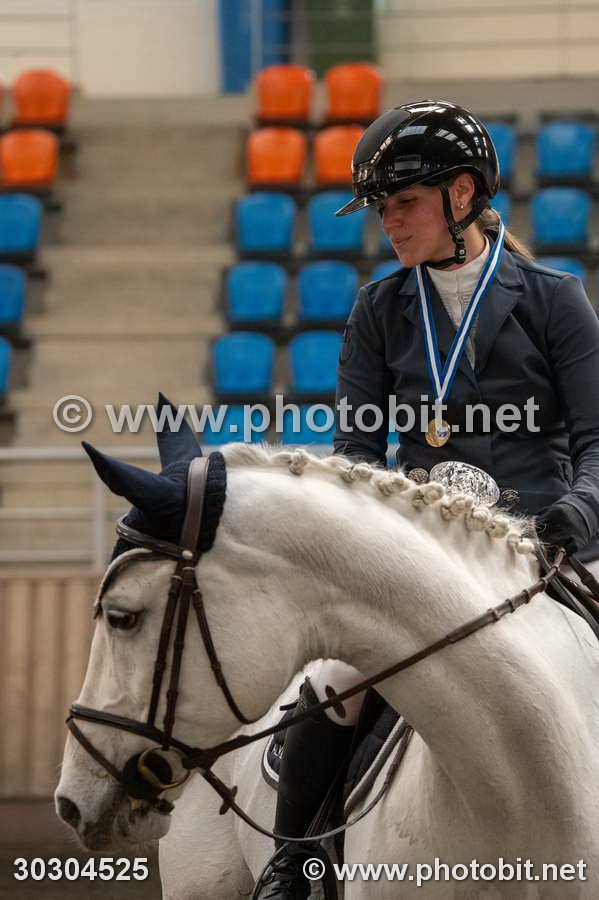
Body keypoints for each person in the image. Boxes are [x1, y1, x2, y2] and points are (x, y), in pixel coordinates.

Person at [254, 100, 599, 899]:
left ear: (462, 193)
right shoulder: (379, 310)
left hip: (547, 542)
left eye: (403, 202)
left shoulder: (554, 299)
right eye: (381, 208)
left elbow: (597, 440)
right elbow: (354, 458)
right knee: (333, 683)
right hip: (429, 550)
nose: (389, 223)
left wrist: (578, 513)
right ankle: (294, 861)